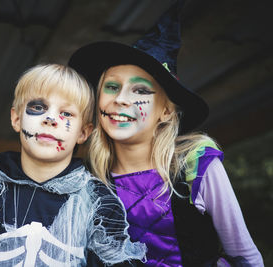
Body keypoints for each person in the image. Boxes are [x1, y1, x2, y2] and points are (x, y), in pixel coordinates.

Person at [68, 1, 264, 266]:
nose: (121, 99)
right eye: (112, 86)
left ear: (166, 112)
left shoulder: (196, 165)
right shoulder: (89, 178)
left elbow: (245, 255)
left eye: (140, 91)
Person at [0, 64, 147, 266]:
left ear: (83, 132)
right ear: (16, 119)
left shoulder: (98, 203)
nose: (50, 119)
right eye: (38, 107)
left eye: (66, 113)